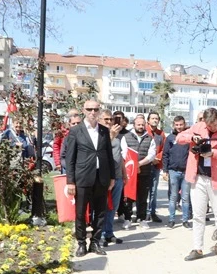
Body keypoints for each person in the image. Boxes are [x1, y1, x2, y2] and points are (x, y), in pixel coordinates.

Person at [176, 108, 217, 261]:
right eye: (209, 126)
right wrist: (193, 137)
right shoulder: (198, 127)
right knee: (198, 215)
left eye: (215, 125)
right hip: (198, 178)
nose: (212, 128)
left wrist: (214, 153)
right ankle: (197, 248)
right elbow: (179, 138)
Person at [65, 99, 116, 257]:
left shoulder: (103, 131)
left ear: (99, 110)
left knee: (100, 212)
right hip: (82, 178)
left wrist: (112, 177)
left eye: (95, 109)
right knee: (80, 213)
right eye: (89, 109)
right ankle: (81, 243)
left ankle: (95, 242)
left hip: (101, 178)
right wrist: (70, 181)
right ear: (84, 110)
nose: (93, 112)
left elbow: (109, 155)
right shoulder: (76, 131)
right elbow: (70, 158)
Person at [122, 114, 157, 228]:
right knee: (129, 197)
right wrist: (133, 165)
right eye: (139, 124)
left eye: (142, 124)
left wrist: (139, 164)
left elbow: (152, 154)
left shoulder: (150, 138)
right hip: (130, 173)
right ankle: (128, 219)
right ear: (134, 125)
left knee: (143, 196)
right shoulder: (126, 136)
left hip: (145, 171)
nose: (141, 126)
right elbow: (123, 153)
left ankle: (142, 218)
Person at [100, 110, 127, 246]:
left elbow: (120, 157)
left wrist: (124, 175)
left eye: (111, 119)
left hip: (118, 177)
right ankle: (99, 235)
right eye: (106, 119)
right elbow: (100, 151)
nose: (109, 122)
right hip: (103, 179)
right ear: (99, 120)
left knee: (113, 207)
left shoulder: (116, 137)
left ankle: (109, 233)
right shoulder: (98, 135)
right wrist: (110, 135)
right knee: (101, 207)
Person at [162, 116, 192, 229]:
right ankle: (171, 219)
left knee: (185, 197)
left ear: (184, 124)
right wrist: (165, 170)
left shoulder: (189, 138)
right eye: (177, 125)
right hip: (173, 171)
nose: (179, 127)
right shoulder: (170, 138)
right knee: (173, 197)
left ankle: (185, 220)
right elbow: (165, 155)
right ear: (174, 125)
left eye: (181, 125)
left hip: (186, 172)